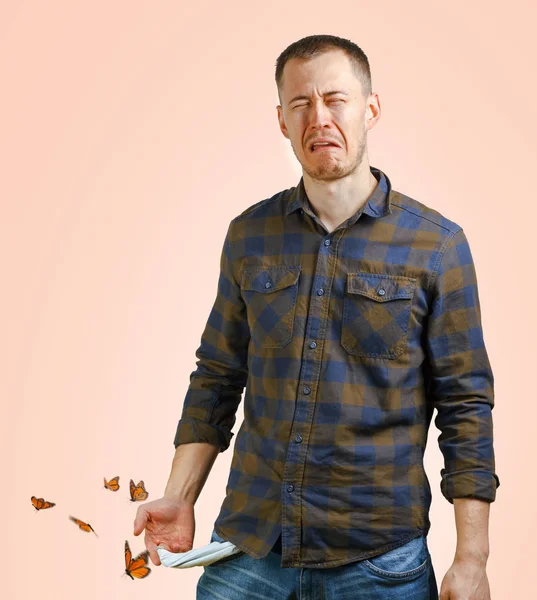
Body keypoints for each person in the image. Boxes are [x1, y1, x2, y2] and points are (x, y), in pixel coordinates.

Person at [133, 34, 500, 599]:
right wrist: (179, 495)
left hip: (378, 563)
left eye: (336, 99)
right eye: (301, 104)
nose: (319, 117)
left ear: (371, 109)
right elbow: (216, 376)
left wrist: (471, 557)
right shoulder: (250, 236)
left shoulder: (437, 246)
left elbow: (465, 405)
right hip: (249, 553)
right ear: (282, 120)